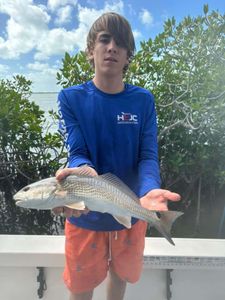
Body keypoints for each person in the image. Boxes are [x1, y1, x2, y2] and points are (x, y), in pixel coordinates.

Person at [54, 12, 181, 300]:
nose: (112, 47)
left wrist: (148, 191)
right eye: (104, 40)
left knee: (120, 279)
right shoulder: (70, 98)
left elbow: (147, 156)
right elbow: (77, 152)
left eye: (120, 43)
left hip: (132, 210)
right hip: (85, 213)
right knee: (81, 287)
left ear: (127, 57)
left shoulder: (142, 100)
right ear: (90, 50)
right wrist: (85, 173)